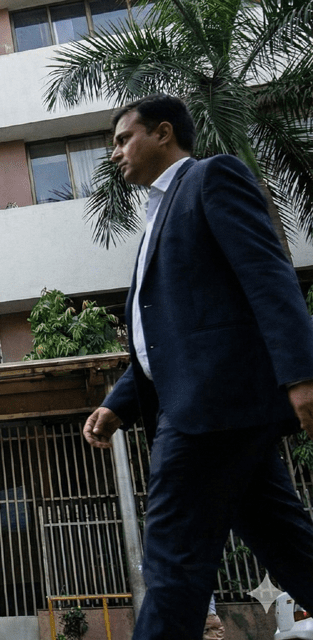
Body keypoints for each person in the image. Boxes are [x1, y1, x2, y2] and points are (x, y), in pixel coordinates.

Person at [82, 94, 313, 640]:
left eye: (123, 139)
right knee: (290, 546)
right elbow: (172, 335)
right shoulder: (156, 217)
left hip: (209, 407)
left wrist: (302, 374)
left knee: (172, 560)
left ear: (163, 133)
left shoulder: (212, 178)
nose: (115, 152)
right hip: (221, 411)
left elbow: (268, 275)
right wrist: (120, 402)